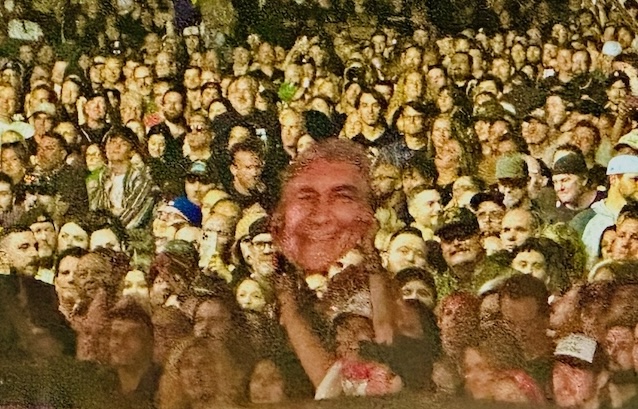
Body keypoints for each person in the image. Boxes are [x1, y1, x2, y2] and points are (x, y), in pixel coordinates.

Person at [88, 127, 155, 229]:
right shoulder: (101, 177)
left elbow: (133, 214)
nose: (116, 147)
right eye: (113, 142)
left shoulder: (141, 178)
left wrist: (110, 224)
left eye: (123, 144)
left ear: (132, 152)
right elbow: (93, 210)